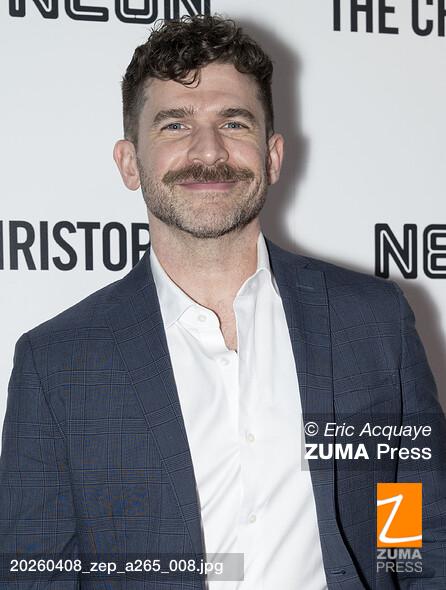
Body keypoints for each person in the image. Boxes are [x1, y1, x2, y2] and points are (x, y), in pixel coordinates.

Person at [0, 14, 445, 590]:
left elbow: (413, 525)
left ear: (273, 156)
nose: (208, 151)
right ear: (130, 163)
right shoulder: (57, 362)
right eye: (175, 125)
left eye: (233, 122)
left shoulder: (373, 321)